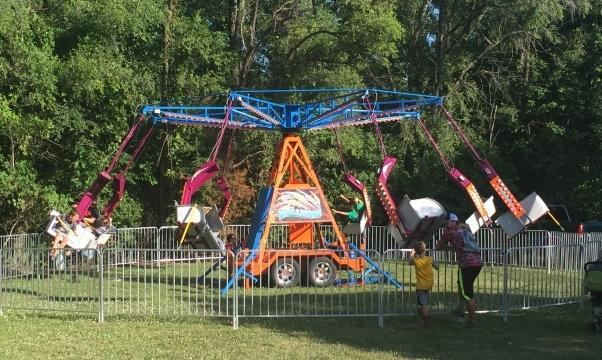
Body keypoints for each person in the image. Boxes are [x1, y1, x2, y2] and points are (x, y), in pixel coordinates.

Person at [436, 212, 482, 328]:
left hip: (466, 265)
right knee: (461, 285)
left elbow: (438, 247)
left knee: (467, 293)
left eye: (447, 223)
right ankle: (460, 309)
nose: (445, 226)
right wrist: (453, 247)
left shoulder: (449, 233)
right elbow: (462, 244)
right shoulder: (466, 229)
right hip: (477, 263)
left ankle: (472, 321)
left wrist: (445, 246)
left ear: (453, 222)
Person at [409, 240, 439, 327]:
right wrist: (435, 264)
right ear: (425, 250)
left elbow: (409, 262)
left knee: (423, 304)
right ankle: (423, 315)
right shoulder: (429, 259)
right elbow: (437, 267)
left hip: (421, 285)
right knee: (421, 304)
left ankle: (426, 321)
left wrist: (412, 253)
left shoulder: (416, 260)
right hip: (429, 283)